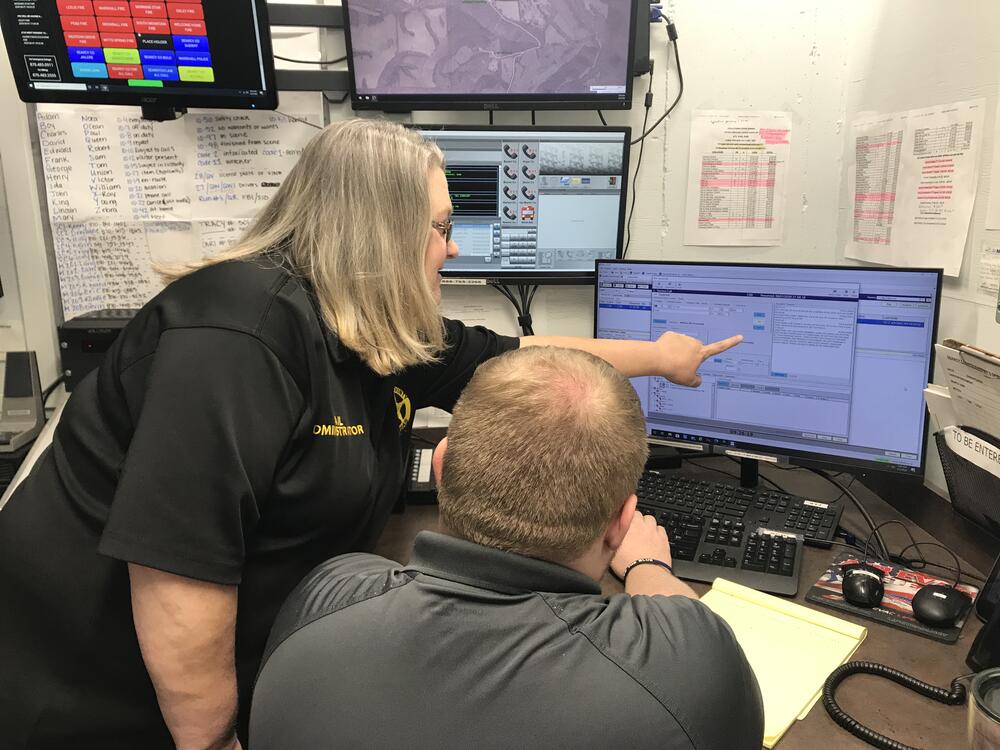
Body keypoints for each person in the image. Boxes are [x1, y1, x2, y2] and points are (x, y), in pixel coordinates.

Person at [0, 119, 742, 750]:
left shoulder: (370, 323)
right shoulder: (232, 335)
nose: (453, 249)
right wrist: (216, 741)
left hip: (242, 664)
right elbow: (176, 573)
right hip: (94, 690)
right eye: (443, 228)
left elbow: (522, 357)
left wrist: (663, 358)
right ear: (380, 228)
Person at [250, 346, 763, 750]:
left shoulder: (326, 595)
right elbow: (688, 633)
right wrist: (649, 567)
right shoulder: (688, 671)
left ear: (442, 465)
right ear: (621, 522)